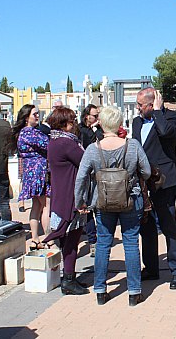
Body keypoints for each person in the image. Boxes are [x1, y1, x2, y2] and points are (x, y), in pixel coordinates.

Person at [75, 106, 151, 306]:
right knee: (131, 242)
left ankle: (100, 289)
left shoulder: (93, 149)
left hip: (103, 200)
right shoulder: (132, 145)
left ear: (101, 123)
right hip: (130, 199)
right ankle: (134, 292)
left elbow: (81, 177)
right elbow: (148, 171)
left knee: (103, 243)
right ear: (119, 124)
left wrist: (80, 201)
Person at [132, 88, 176, 290]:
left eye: (140, 105)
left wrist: (157, 112)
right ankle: (151, 267)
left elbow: (165, 133)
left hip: (164, 181)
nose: (137, 109)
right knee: (146, 226)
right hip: (143, 183)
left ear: (152, 104)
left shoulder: (171, 117)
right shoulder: (137, 122)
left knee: (168, 224)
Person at [43, 107, 88, 295]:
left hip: (60, 195)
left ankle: (68, 276)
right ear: (63, 123)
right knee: (72, 237)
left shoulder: (54, 141)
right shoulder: (66, 143)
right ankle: (68, 279)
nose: (74, 124)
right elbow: (85, 161)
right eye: (71, 121)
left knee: (68, 238)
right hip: (70, 196)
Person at [12, 104, 51, 250]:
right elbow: (48, 144)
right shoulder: (30, 133)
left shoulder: (27, 132)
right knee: (47, 205)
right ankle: (49, 239)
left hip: (32, 172)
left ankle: (35, 239)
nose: (37, 116)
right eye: (34, 114)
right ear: (26, 117)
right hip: (38, 172)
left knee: (37, 206)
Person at [78, 104, 104, 257]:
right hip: (87, 172)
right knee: (87, 208)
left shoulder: (97, 129)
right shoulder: (81, 130)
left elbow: (102, 141)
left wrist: (96, 128)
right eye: (95, 115)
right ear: (87, 115)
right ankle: (92, 241)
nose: (97, 118)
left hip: (98, 173)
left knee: (99, 208)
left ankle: (99, 239)